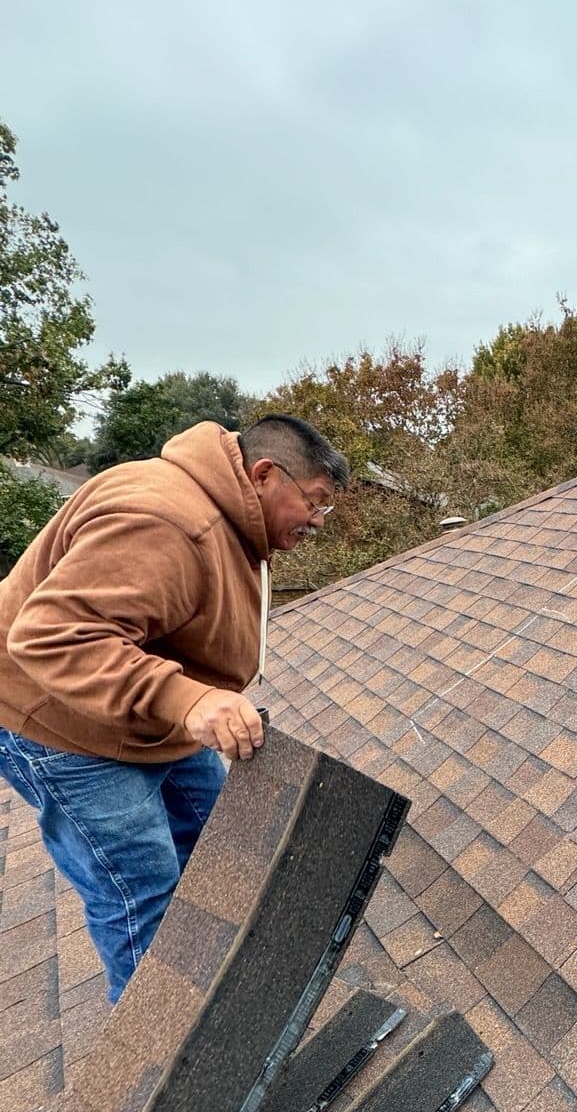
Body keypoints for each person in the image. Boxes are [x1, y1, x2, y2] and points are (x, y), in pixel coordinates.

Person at [0, 415, 349, 1002]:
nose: (318, 520)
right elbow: (52, 637)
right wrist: (190, 701)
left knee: (220, 849)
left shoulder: (234, 518)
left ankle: (226, 1006)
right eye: (313, 503)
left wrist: (194, 701)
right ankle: (162, 1076)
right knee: (146, 897)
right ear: (265, 475)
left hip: (143, 717)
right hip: (63, 724)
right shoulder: (168, 522)